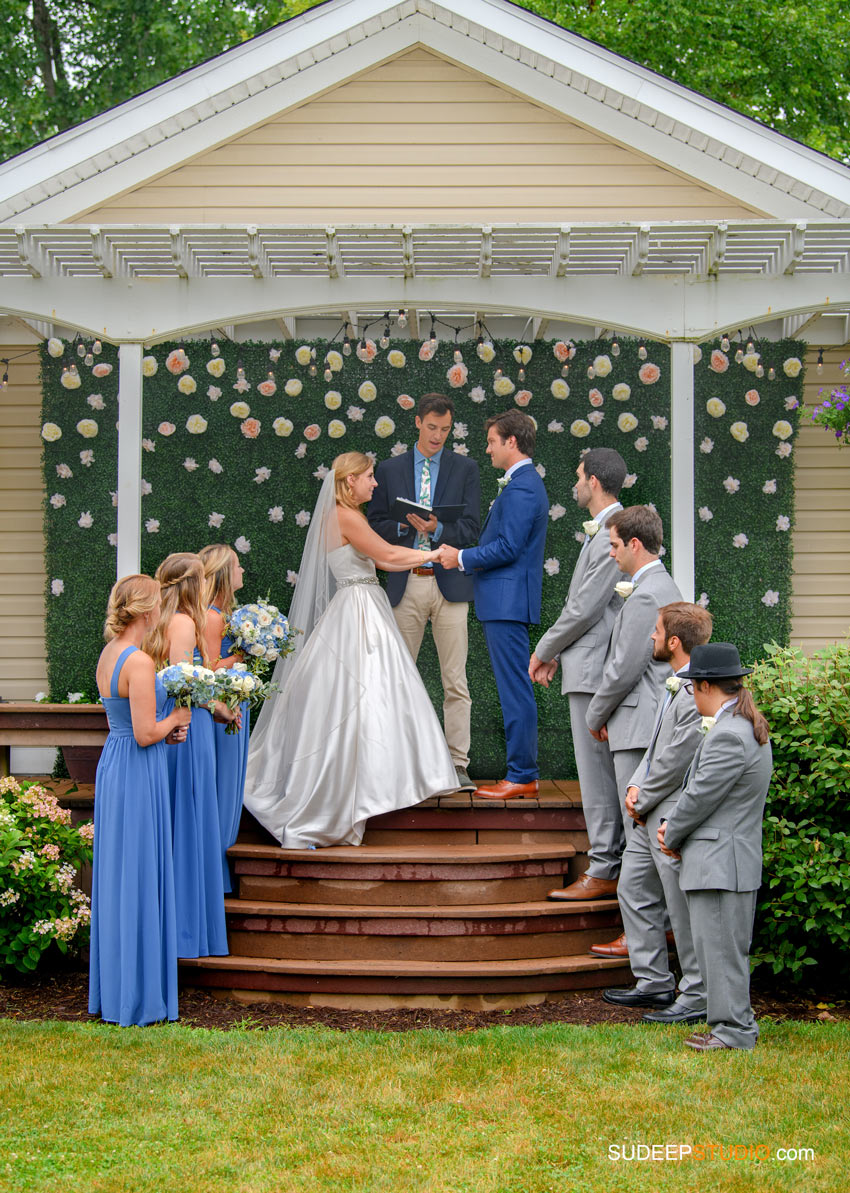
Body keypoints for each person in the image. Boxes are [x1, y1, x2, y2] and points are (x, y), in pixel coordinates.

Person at [243, 451, 459, 848]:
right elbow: (388, 556)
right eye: (369, 477)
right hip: (358, 611)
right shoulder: (346, 517)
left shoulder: (339, 517)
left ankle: (369, 783)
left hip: (355, 606)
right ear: (348, 482)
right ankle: (356, 790)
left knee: (363, 697)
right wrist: (434, 553)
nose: (375, 484)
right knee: (364, 695)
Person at [547, 505, 682, 902]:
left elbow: (624, 666)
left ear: (635, 544)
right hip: (642, 718)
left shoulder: (645, 596)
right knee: (644, 829)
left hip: (637, 722)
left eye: (616, 545)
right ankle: (647, 925)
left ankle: (646, 926)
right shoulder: (660, 586)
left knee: (640, 830)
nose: (611, 553)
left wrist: (596, 714)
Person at [658, 643, 773, 1052]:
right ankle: (730, 1026)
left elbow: (699, 797)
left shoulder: (729, 735)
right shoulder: (742, 728)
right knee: (720, 950)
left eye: (693, 687)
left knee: (721, 953)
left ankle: (733, 1031)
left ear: (706, 685)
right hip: (724, 861)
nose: (692, 694)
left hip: (720, 863)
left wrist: (670, 833)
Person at [600, 602, 713, 1018]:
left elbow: (678, 757)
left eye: (657, 630)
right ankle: (653, 982)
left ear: (674, 641)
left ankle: (696, 992)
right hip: (646, 806)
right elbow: (654, 748)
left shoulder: (695, 692)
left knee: (679, 904)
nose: (651, 636)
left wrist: (642, 799)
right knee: (633, 888)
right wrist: (633, 783)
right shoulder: (672, 684)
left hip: (668, 813)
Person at [89, 574, 191, 1026]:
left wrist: (161, 730)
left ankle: (117, 989)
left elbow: (129, 726)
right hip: (137, 768)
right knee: (140, 870)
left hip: (115, 762)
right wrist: (178, 718)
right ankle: (140, 997)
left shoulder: (109, 654)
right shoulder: (142, 662)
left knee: (119, 874)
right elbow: (148, 732)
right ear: (149, 612)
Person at [368, 393, 481, 789]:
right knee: (398, 677)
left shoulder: (465, 468)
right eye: (432, 428)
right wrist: (406, 528)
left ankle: (457, 764)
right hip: (406, 584)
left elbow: (473, 529)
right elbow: (375, 523)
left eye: (445, 429)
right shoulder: (390, 468)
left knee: (456, 680)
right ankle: (397, 762)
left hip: (449, 584)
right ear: (417, 423)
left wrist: (438, 530)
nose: (438, 436)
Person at [529, 447, 627, 888]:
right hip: (586, 662)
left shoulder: (615, 531)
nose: (575, 479)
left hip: (595, 666)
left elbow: (586, 606)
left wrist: (545, 649)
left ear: (594, 481)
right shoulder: (603, 529)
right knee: (600, 771)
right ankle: (611, 863)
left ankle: (606, 867)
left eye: (579, 473)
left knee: (596, 773)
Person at [439, 410, 549, 799]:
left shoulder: (522, 488)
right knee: (513, 687)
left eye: (491, 442)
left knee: (514, 688)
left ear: (512, 442)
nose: (487, 449)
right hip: (504, 601)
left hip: (507, 602)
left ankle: (522, 774)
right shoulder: (522, 484)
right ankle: (522, 772)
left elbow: (508, 547)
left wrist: (462, 558)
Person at [145, 552, 236, 958]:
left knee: (185, 819)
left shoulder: (166, 621)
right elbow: (184, 684)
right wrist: (218, 708)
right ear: (190, 585)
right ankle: (186, 931)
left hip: (181, 724)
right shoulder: (181, 623)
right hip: (187, 728)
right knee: (189, 819)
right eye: (201, 580)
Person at [199, 543, 248, 895]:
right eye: (237, 566)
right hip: (222, 711)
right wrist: (246, 653)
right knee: (223, 787)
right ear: (222, 575)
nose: (242, 571)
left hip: (233, 705)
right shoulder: (213, 617)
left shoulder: (222, 613)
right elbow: (209, 669)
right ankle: (215, 876)